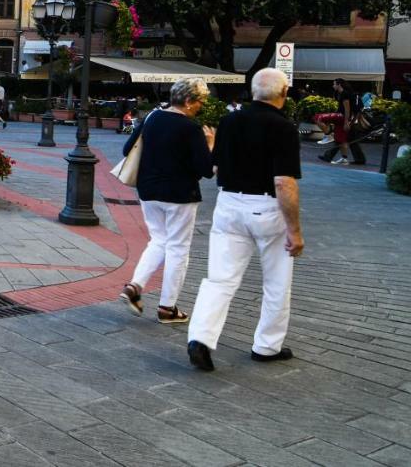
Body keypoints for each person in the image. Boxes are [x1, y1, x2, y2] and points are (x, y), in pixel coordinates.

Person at [187, 67, 304, 372]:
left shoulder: (228, 121)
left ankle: (200, 337)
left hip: (228, 205)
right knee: (277, 281)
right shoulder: (284, 127)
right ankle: (267, 346)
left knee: (220, 279)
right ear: (284, 93)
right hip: (266, 207)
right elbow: (284, 182)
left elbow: (214, 167)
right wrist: (295, 230)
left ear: (253, 91)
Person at [118, 78, 215, 325]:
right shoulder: (191, 128)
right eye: (199, 102)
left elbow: (127, 149)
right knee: (178, 249)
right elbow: (206, 169)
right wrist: (211, 144)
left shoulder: (152, 117)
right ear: (188, 100)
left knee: (159, 240)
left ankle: (134, 286)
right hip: (180, 194)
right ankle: (167, 307)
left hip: (148, 189)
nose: (200, 107)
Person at [315, 78, 363, 166]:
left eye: (334, 84)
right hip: (347, 119)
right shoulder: (342, 94)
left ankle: (330, 152)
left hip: (346, 119)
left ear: (339, 84)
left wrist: (347, 122)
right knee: (342, 139)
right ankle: (345, 158)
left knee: (342, 139)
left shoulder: (344, 94)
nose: (333, 86)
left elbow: (347, 109)